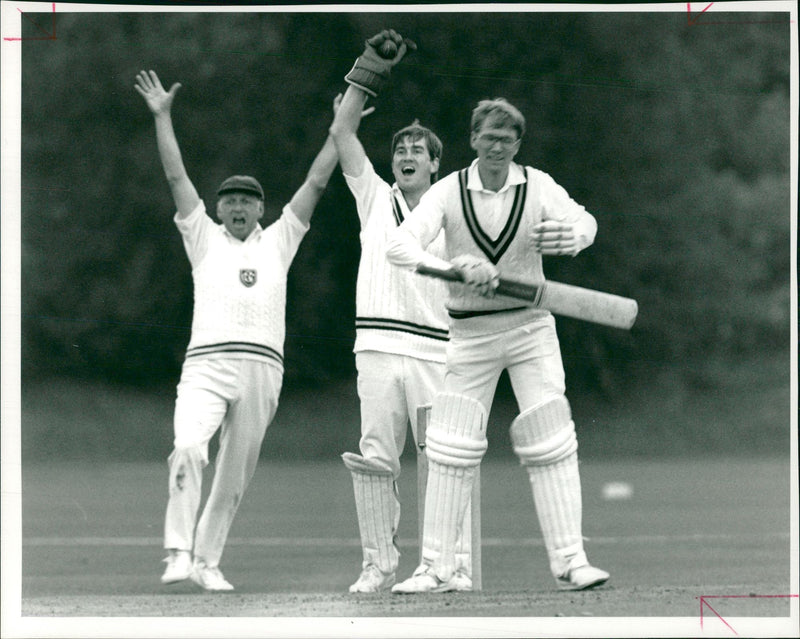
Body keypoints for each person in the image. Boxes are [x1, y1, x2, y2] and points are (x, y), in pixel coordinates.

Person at [386, 96, 610, 593]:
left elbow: (586, 222)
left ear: (517, 145)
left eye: (506, 140)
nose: (496, 148)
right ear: (472, 139)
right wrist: (456, 267)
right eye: (488, 138)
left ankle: (572, 562)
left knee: (551, 434)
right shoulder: (447, 192)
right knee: (450, 446)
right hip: (469, 333)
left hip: (530, 328)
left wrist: (572, 236)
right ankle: (436, 568)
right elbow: (398, 246)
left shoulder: (539, 186)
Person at [134, 69, 341, 592]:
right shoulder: (203, 236)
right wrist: (163, 117)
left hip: (262, 370)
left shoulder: (279, 241)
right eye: (230, 200)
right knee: (187, 446)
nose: (238, 207)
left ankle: (208, 561)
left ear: (261, 209)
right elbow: (177, 178)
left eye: (248, 201)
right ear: (219, 208)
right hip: (207, 363)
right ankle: (178, 552)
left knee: (234, 476)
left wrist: (344, 127)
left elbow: (316, 182)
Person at [329, 30, 473, 593]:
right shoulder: (374, 197)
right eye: (400, 149)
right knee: (374, 459)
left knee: (444, 461)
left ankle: (450, 564)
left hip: (437, 350)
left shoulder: (452, 211)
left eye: (418, 150)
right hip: (379, 347)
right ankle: (377, 563)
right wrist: (368, 67)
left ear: (436, 165)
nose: (407, 155)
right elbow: (342, 130)